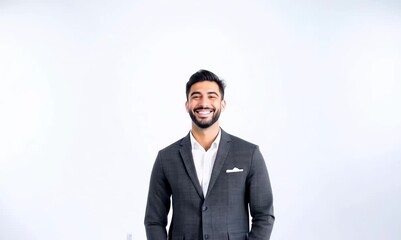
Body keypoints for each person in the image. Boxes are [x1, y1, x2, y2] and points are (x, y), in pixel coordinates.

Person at [144, 69, 274, 240]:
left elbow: (264, 215)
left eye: (212, 96)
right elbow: (154, 220)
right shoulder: (166, 158)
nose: (204, 103)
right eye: (196, 96)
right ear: (187, 105)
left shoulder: (249, 154)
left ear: (222, 104)